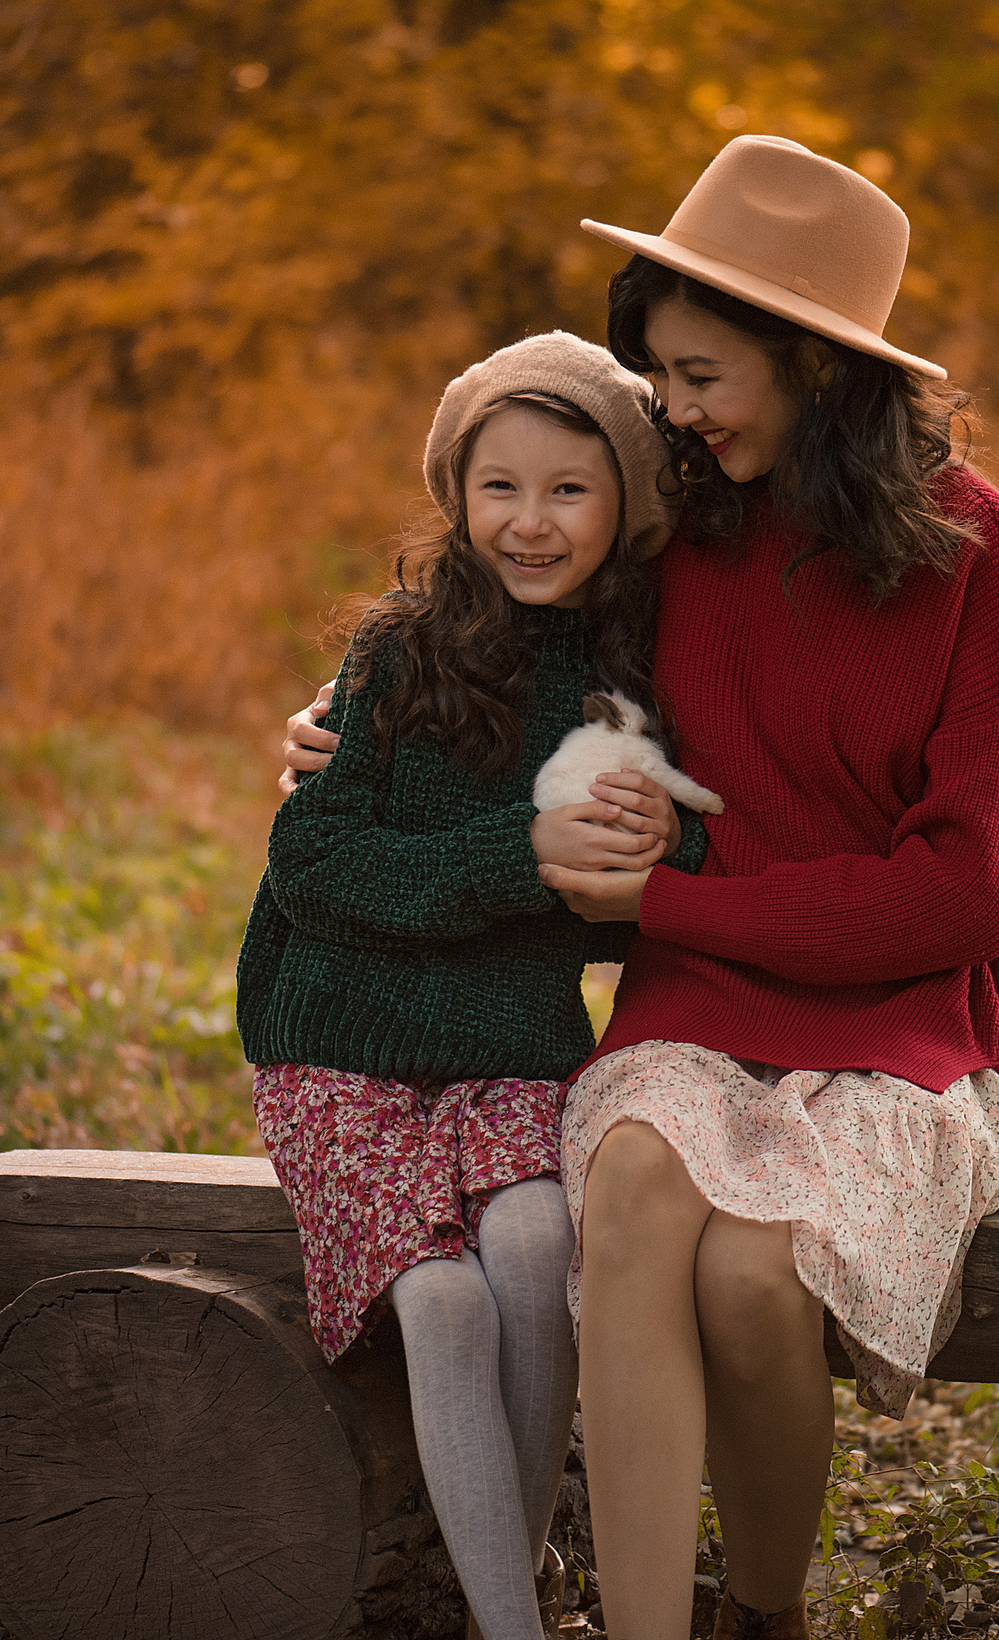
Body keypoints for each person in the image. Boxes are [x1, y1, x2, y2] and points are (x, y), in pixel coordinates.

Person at [279, 138, 999, 1640]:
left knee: (756, 1276)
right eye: (660, 376)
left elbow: (964, 899)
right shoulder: (685, 528)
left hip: (923, 1017)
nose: (677, 408)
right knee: (639, 1184)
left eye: (701, 375)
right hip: (704, 1000)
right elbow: (497, 630)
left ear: (815, 367)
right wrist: (342, 727)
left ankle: (763, 1615)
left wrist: (664, 909)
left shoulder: (981, 555)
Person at [236, 331, 711, 1640]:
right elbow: (311, 863)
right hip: (339, 1046)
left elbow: (667, 877)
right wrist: (520, 853)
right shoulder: (398, 652)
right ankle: (513, 1626)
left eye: (569, 490)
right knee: (444, 1301)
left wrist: (660, 849)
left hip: (510, 1044)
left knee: (538, 1244)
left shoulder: (634, 679)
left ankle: (515, 1586)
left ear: (623, 504)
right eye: (499, 486)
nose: (530, 522)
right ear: (456, 494)